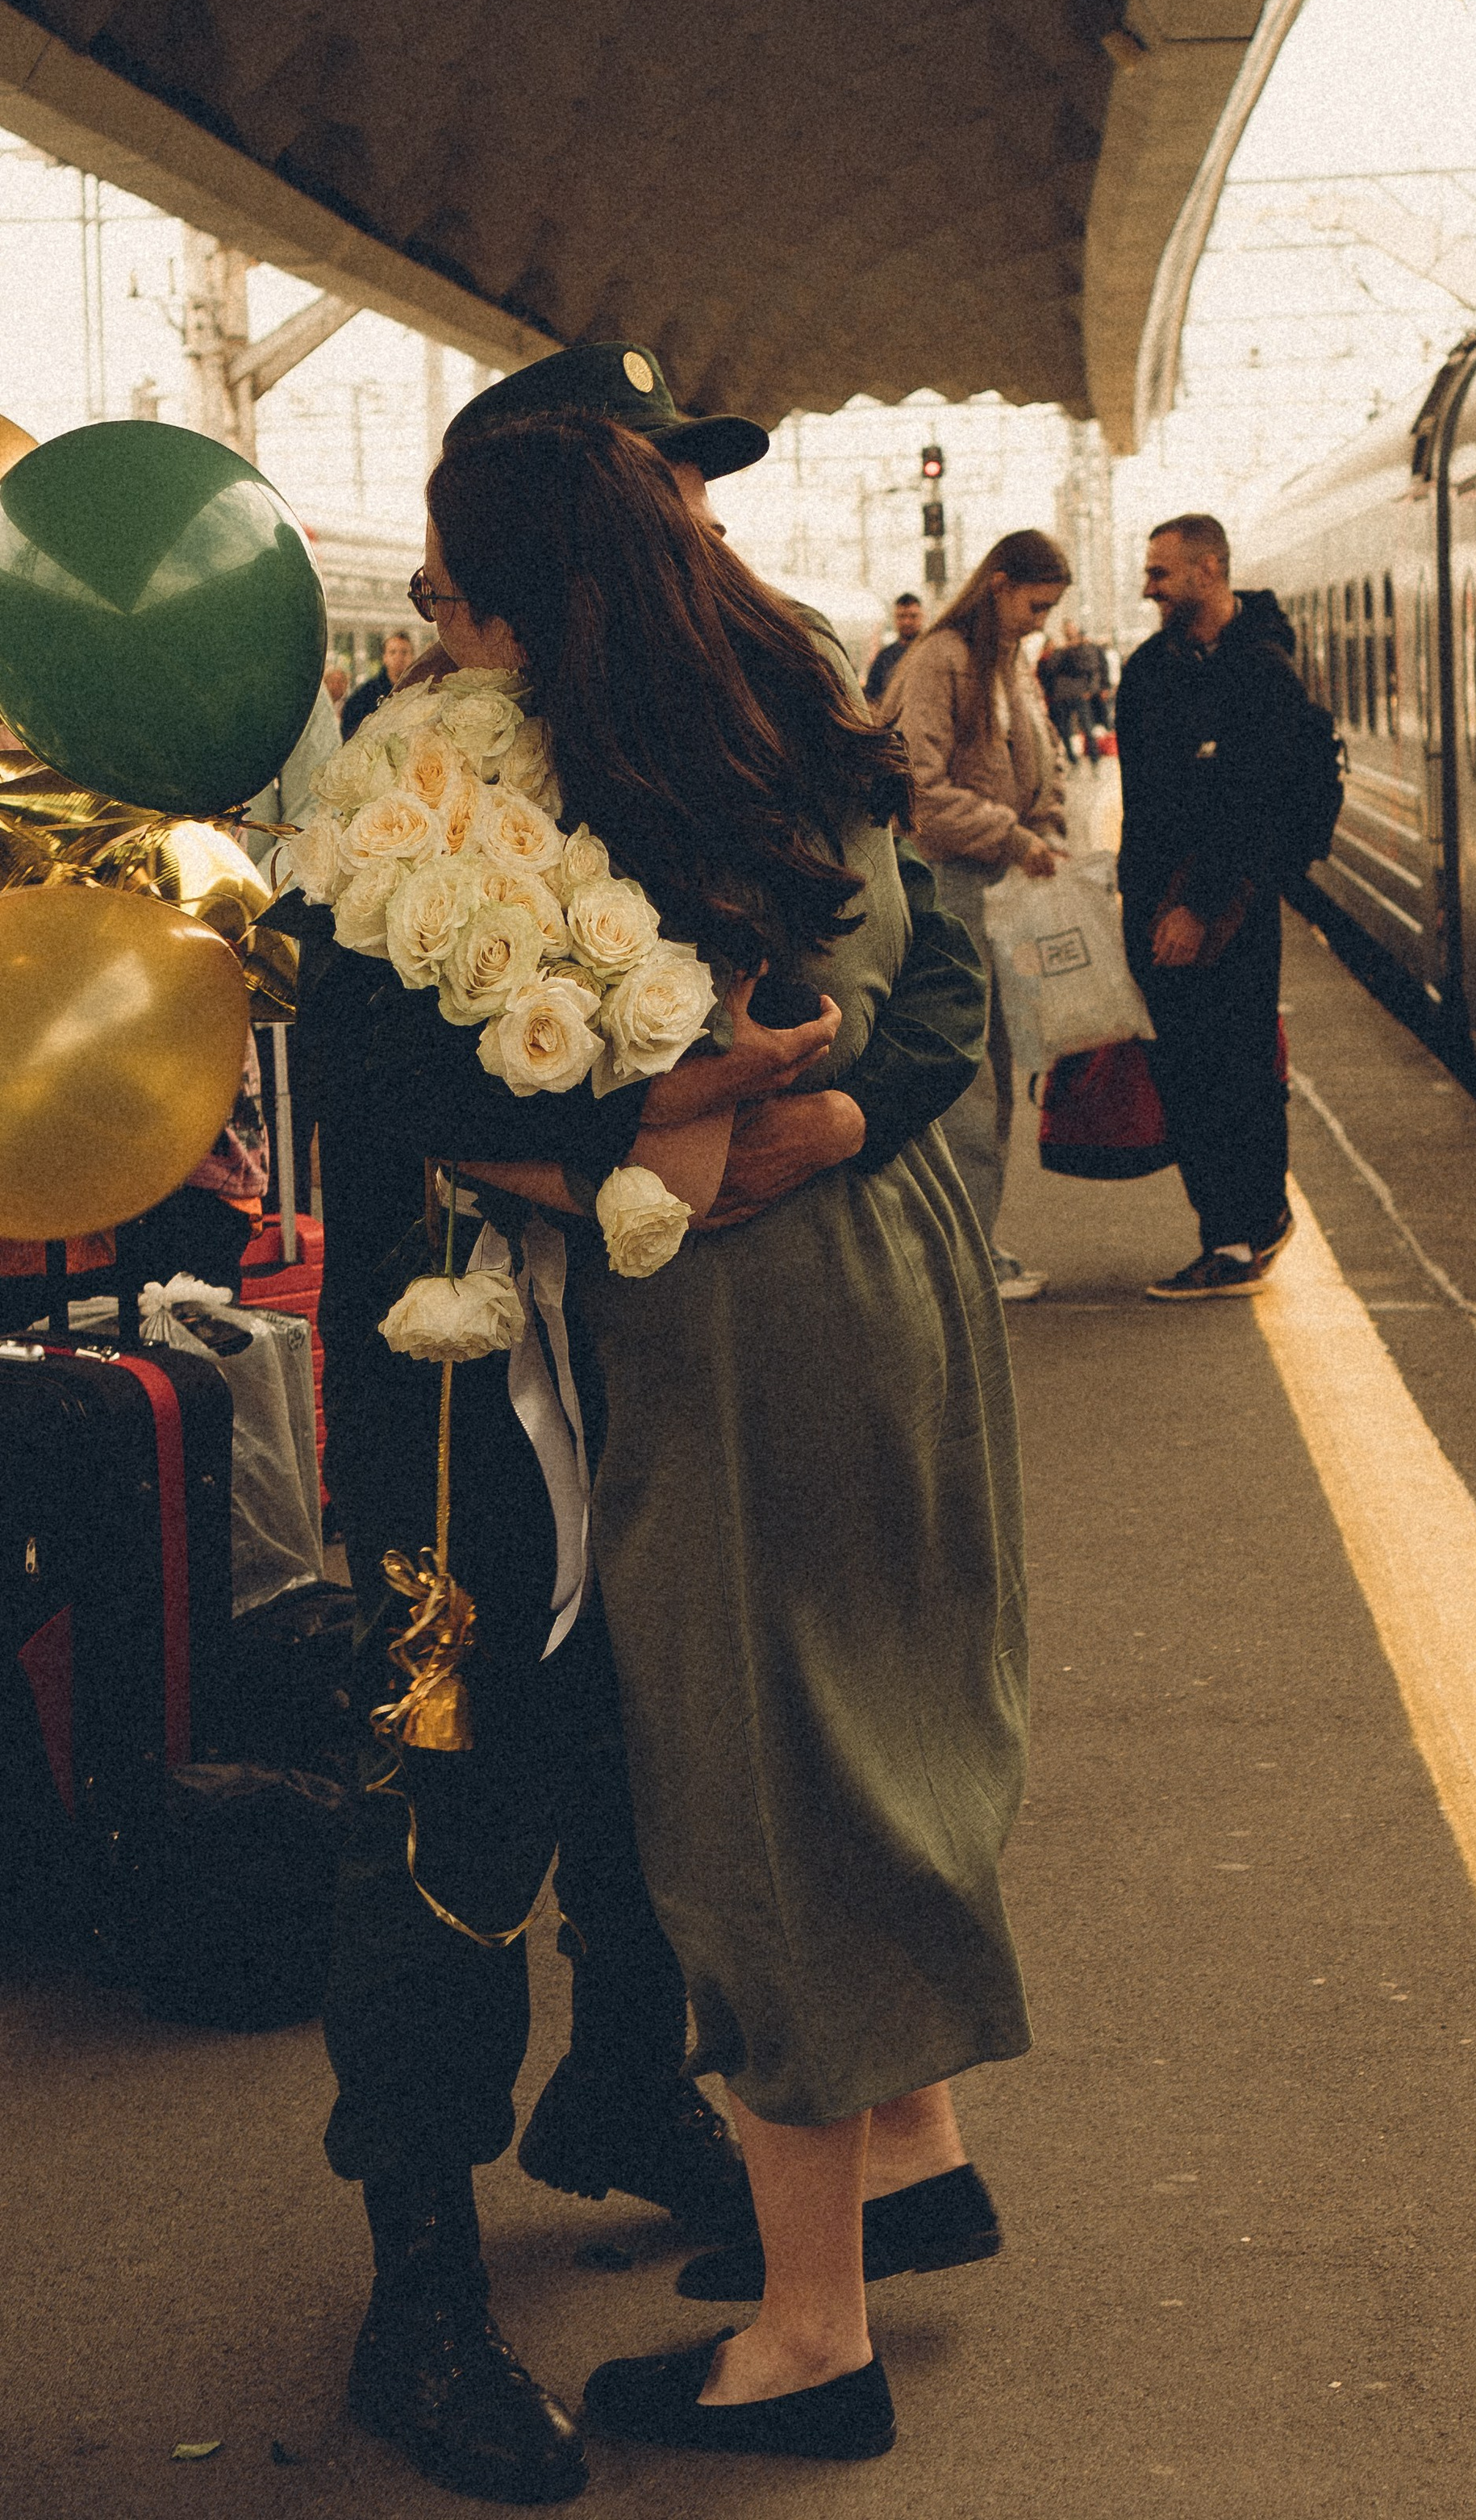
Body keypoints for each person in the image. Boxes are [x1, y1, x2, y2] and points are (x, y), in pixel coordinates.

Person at [294, 347, 1000, 2502]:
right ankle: (421, 2285)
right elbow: (380, 1085)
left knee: (663, 1766)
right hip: (460, 1411)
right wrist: (643, 1130)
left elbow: (945, 996)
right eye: (657, 494)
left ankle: (630, 2092)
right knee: (448, 1800)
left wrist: (810, 1124)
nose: (692, 528)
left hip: (683, 1374)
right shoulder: (420, 789)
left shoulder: (704, 731)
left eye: (687, 492)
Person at [1117, 514, 1303, 1300]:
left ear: (1210, 568)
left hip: (1228, 913)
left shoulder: (1262, 672)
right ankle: (1247, 1224)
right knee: (1191, 1072)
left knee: (1226, 1073)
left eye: (1161, 573)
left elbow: (1257, 808)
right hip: (1156, 903)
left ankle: (1235, 1237)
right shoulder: (1147, 670)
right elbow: (1148, 800)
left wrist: (1196, 908)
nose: (1148, 587)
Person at [884, 530, 1071, 1302]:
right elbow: (917, 788)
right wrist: (1014, 834)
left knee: (994, 1065)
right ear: (998, 585)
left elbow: (1043, 760)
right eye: (1036, 604)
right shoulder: (942, 661)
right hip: (950, 889)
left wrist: (1049, 822)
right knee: (967, 1080)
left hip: (993, 889)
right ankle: (960, 1261)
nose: (1043, 622)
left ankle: (976, 1246)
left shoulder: (1004, 666)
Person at [1036, 617, 1110, 765]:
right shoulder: (1061, 649)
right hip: (1062, 693)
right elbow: (1051, 668)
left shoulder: (1084, 647)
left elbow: (1091, 667)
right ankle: (1072, 757)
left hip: (1078, 691)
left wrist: (1091, 689)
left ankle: (1094, 756)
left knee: (1087, 726)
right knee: (1065, 728)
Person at [340, 628, 420, 739]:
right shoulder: (365, 694)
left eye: (404, 652)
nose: (399, 658)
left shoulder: (420, 691)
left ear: (413, 657)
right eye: (393, 652)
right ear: (385, 658)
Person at [863, 593, 925, 703]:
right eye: (902, 616)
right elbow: (871, 697)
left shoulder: (931, 654)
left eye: (913, 616)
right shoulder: (883, 658)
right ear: (894, 619)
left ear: (923, 617)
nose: (907, 622)